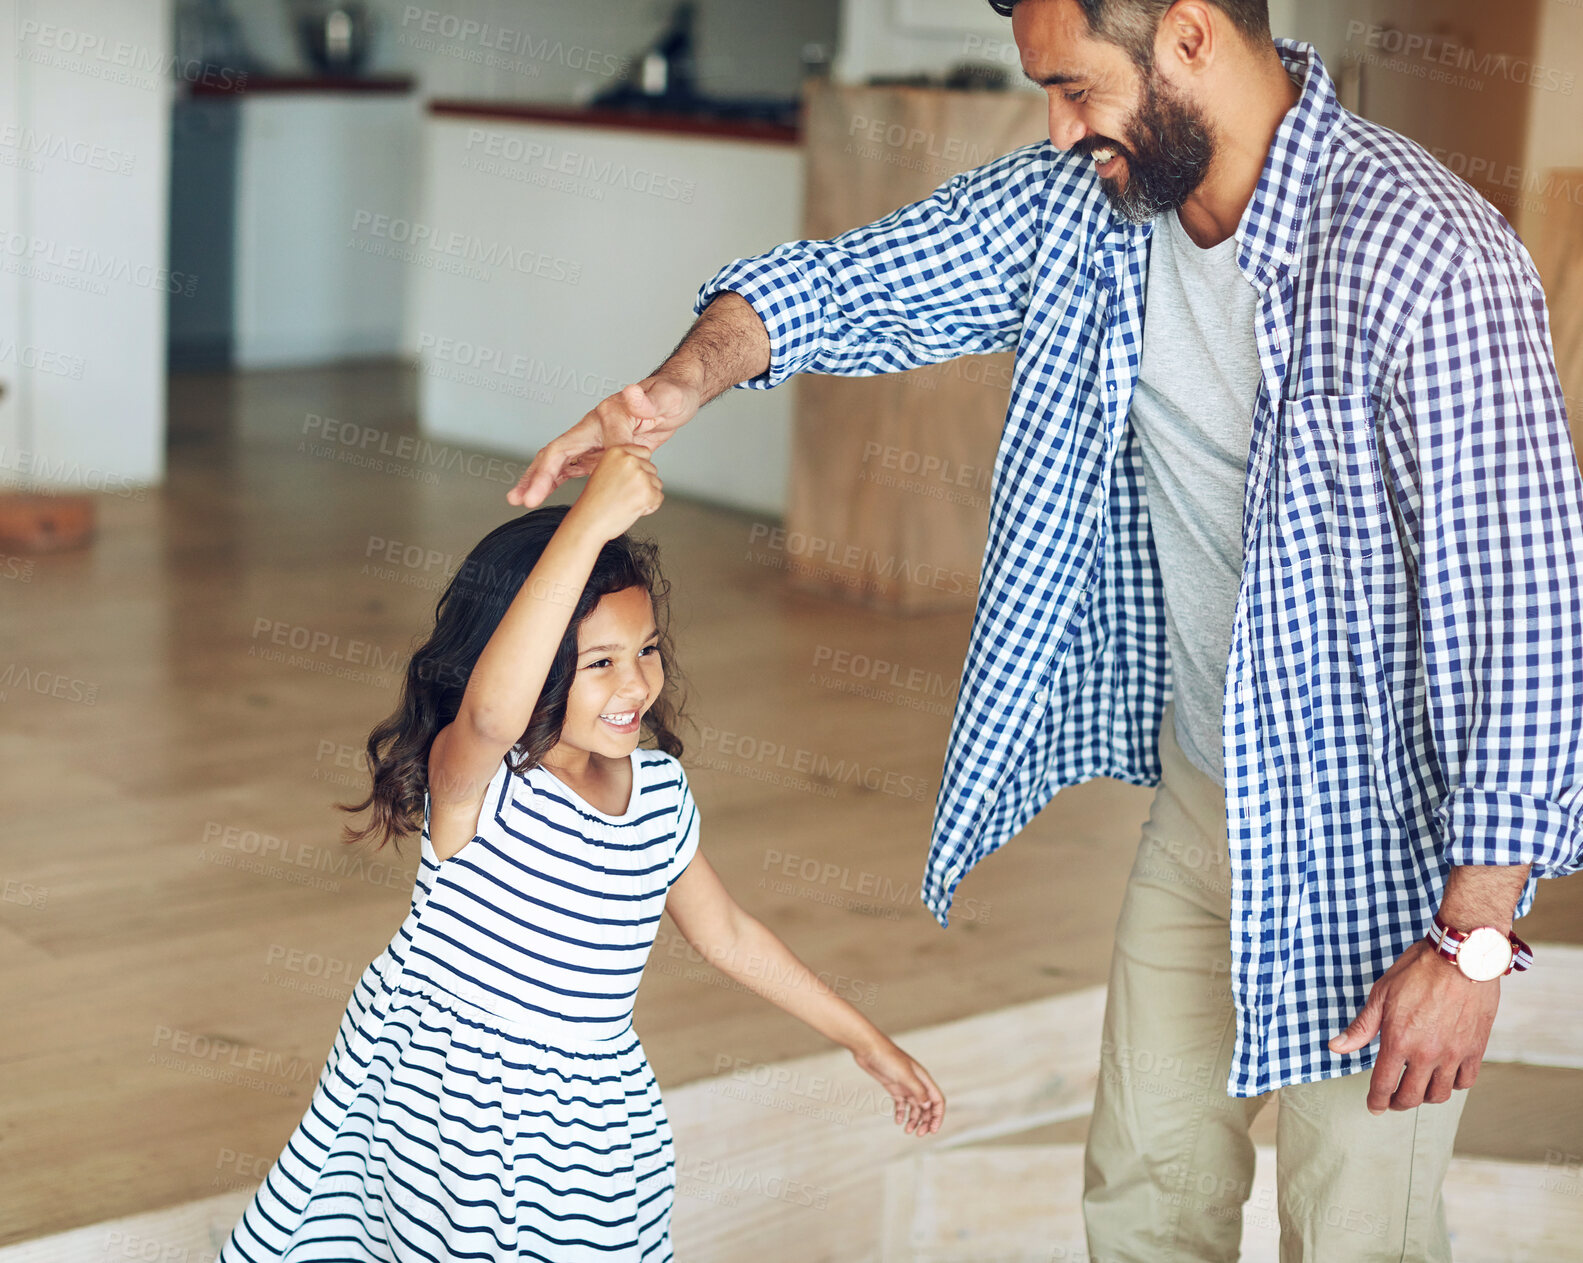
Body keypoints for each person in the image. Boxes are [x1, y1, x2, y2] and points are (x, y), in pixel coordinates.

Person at [506, 2, 1583, 1259]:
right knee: (1140, 1194)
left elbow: (1527, 621)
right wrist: (675, 384)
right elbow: (848, 283)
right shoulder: (1093, 203)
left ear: (1187, 36)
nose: (1060, 127)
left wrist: (1471, 941)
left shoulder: (1429, 261)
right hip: (1201, 799)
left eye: (1075, 88)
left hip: (1379, 855)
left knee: (1355, 1236)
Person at [218, 446, 944, 1263]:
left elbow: (728, 934)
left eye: (645, 649)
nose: (633, 683)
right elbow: (495, 713)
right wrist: (594, 518)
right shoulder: (478, 786)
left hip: (588, 1106)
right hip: (452, 1096)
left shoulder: (659, 794)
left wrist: (863, 1039)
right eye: (597, 663)